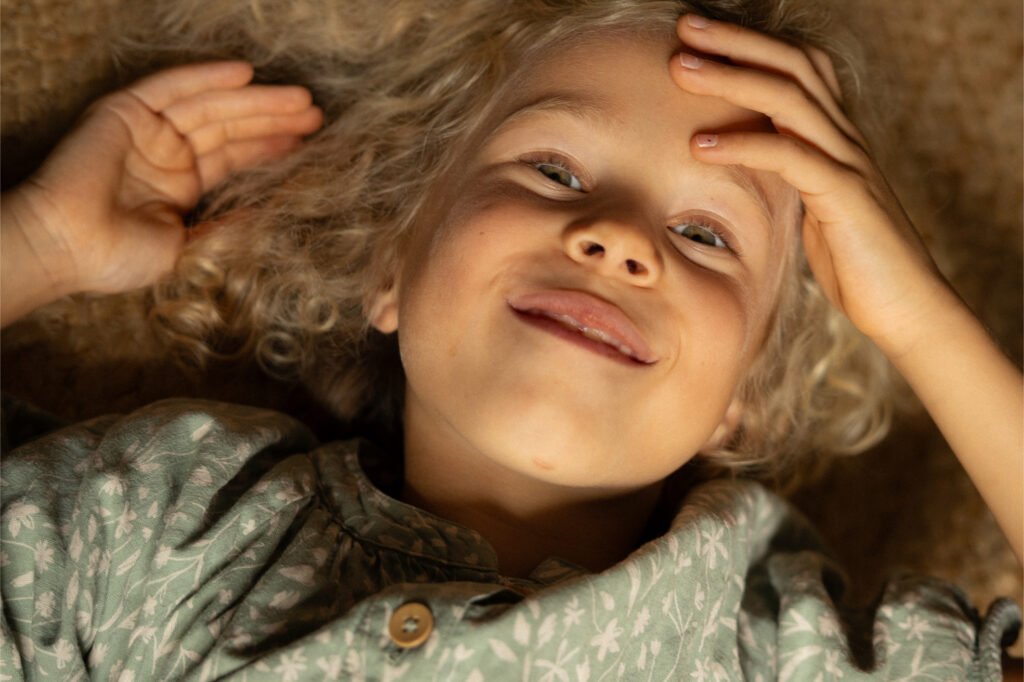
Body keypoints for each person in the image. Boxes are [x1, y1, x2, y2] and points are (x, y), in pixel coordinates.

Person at [1, 0, 1021, 679]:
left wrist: (917, 317)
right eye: (554, 172)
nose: (617, 239)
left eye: (706, 236)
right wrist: (35, 246)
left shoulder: (785, 646)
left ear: (742, 394)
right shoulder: (170, 521)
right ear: (390, 263)